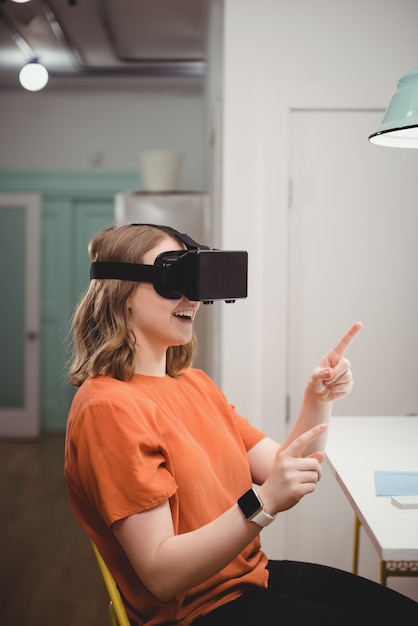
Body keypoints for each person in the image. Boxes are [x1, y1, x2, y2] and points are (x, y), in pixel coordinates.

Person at [64, 223, 418, 626]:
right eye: (175, 278)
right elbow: (162, 575)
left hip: (251, 577)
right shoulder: (107, 408)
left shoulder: (194, 384)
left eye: (195, 280)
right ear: (121, 293)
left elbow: (290, 470)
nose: (191, 298)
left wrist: (318, 398)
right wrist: (262, 504)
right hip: (199, 611)